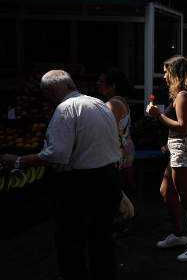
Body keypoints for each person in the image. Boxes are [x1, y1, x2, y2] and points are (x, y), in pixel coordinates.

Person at [2, 70, 122, 280]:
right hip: (108, 178)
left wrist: (19, 160)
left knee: (71, 239)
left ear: (52, 90)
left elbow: (57, 155)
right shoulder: (99, 104)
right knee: (101, 239)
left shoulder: (66, 109)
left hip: (82, 184)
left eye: (46, 94)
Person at [146, 55, 187, 261]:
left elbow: (182, 127)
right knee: (167, 192)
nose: (163, 75)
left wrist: (158, 115)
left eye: (166, 71)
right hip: (180, 146)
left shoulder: (183, 95)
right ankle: (179, 234)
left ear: (175, 73)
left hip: (185, 147)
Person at [97, 69, 136, 193]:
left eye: (101, 81)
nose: (98, 83)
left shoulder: (113, 104)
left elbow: (105, 130)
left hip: (117, 154)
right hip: (124, 151)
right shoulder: (121, 101)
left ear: (112, 86)